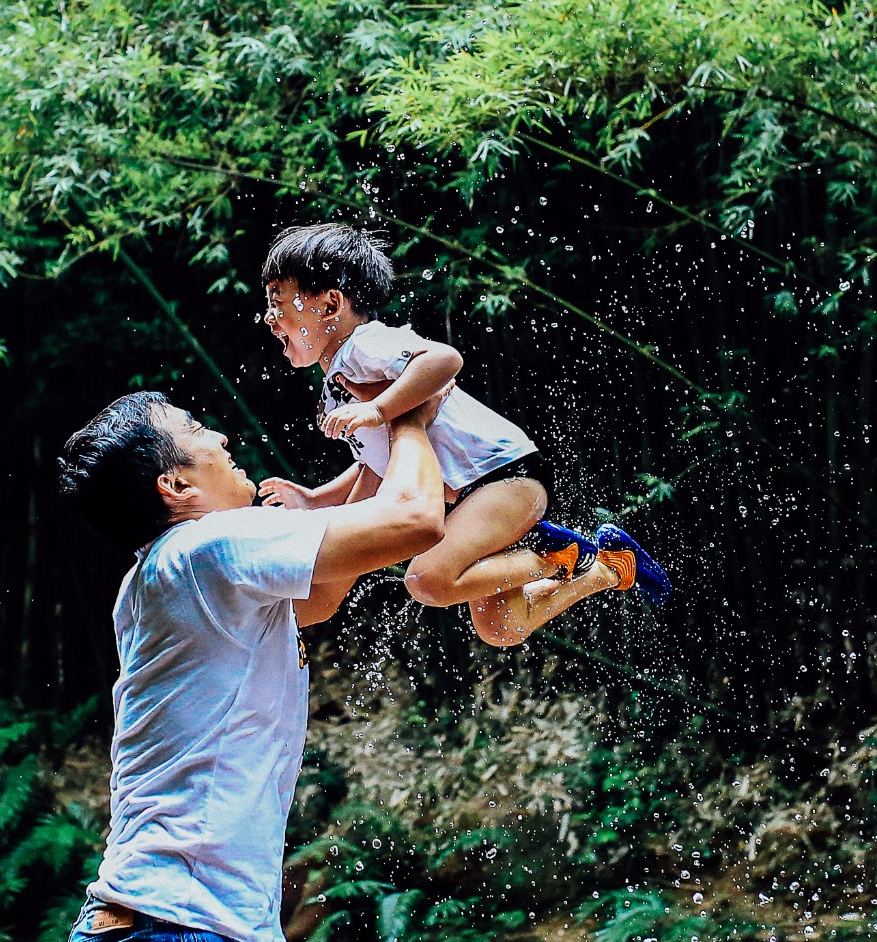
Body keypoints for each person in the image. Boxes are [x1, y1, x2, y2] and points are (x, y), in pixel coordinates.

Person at [52, 390, 447, 942]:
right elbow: (416, 522)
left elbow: (327, 588)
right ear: (176, 488)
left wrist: (371, 448)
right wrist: (410, 409)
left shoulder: (174, 571)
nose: (223, 434)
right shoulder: (211, 549)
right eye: (198, 433)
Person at [252, 222, 670, 646]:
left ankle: (556, 558)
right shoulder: (338, 379)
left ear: (330, 305)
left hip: (503, 476)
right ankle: (609, 566)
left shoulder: (364, 346)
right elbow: (378, 465)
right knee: (502, 627)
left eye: (277, 302)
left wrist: (379, 409)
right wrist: (316, 500)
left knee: (427, 579)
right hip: (477, 497)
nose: (268, 317)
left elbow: (444, 359)